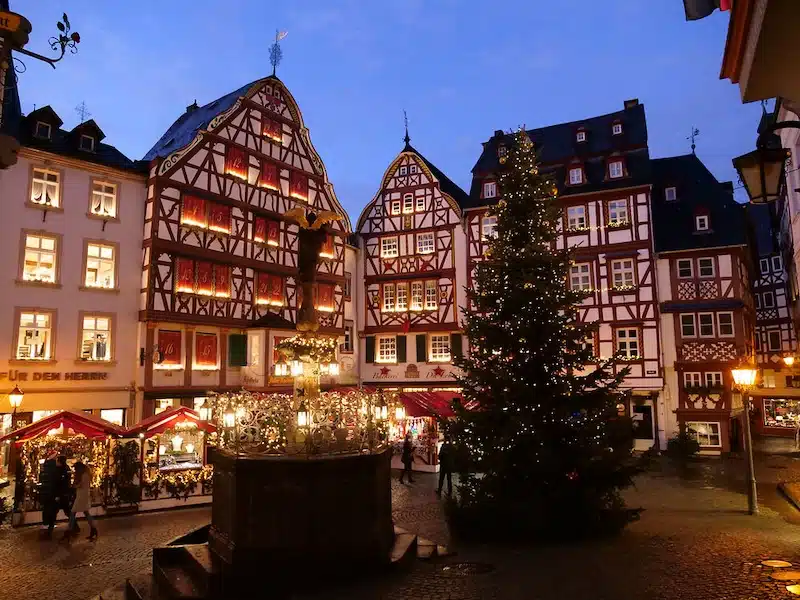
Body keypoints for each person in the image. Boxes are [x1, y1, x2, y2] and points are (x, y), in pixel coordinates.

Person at [64, 461, 97, 541]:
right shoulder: (86, 474)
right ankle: (93, 529)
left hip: (81, 496)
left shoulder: (84, 475)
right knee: (86, 513)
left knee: (73, 512)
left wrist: (74, 486)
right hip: (83, 495)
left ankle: (69, 530)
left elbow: (81, 485)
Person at [38, 450, 60, 538]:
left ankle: (45, 523)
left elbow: (41, 477)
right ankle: (51, 525)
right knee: (52, 508)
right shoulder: (55, 467)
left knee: (46, 508)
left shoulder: (44, 465)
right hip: (52, 491)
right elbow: (56, 480)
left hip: (45, 491)